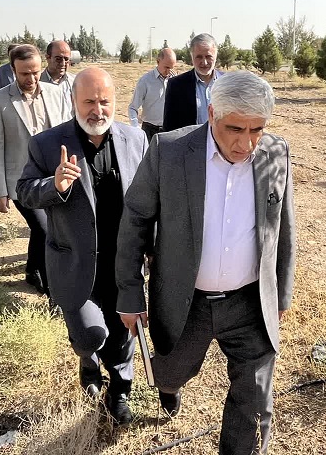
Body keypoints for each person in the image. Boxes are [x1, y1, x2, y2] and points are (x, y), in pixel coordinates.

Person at [116, 71, 295, 454]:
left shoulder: (276, 153)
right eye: (235, 129)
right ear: (213, 113)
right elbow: (136, 220)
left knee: (254, 401)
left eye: (257, 129)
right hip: (186, 301)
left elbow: (282, 225)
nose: (246, 143)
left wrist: (280, 293)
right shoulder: (169, 151)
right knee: (169, 373)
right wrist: (130, 292)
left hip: (249, 304)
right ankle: (170, 387)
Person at [17, 68, 149, 425]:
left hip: (122, 263)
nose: (98, 110)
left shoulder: (136, 139)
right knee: (91, 335)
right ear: (74, 101)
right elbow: (24, 192)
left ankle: (120, 391)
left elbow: (150, 199)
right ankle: (88, 362)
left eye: (104, 101)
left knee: (123, 335)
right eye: (89, 101)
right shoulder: (47, 144)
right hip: (75, 263)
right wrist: (54, 185)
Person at [0, 44, 71, 295]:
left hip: (53, 178)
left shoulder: (56, 93)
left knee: (44, 229)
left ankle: (32, 269)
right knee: (45, 229)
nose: (31, 79)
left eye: (35, 72)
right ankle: (53, 290)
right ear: (13, 70)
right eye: (24, 74)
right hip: (21, 181)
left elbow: (66, 133)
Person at [162, 33, 222, 132]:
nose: (204, 62)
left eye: (208, 56)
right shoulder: (176, 85)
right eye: (199, 57)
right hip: (189, 141)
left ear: (215, 56)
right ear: (192, 56)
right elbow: (169, 127)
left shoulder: (228, 83)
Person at [128, 47, 177, 141]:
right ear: (158, 61)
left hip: (169, 130)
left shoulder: (176, 81)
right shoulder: (145, 81)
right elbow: (133, 108)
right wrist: (136, 128)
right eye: (166, 67)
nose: (169, 71)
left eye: (172, 68)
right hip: (149, 131)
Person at [39, 40, 75, 115]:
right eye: (58, 59)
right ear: (48, 58)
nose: (63, 63)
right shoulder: (37, 84)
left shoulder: (75, 82)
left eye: (66, 59)